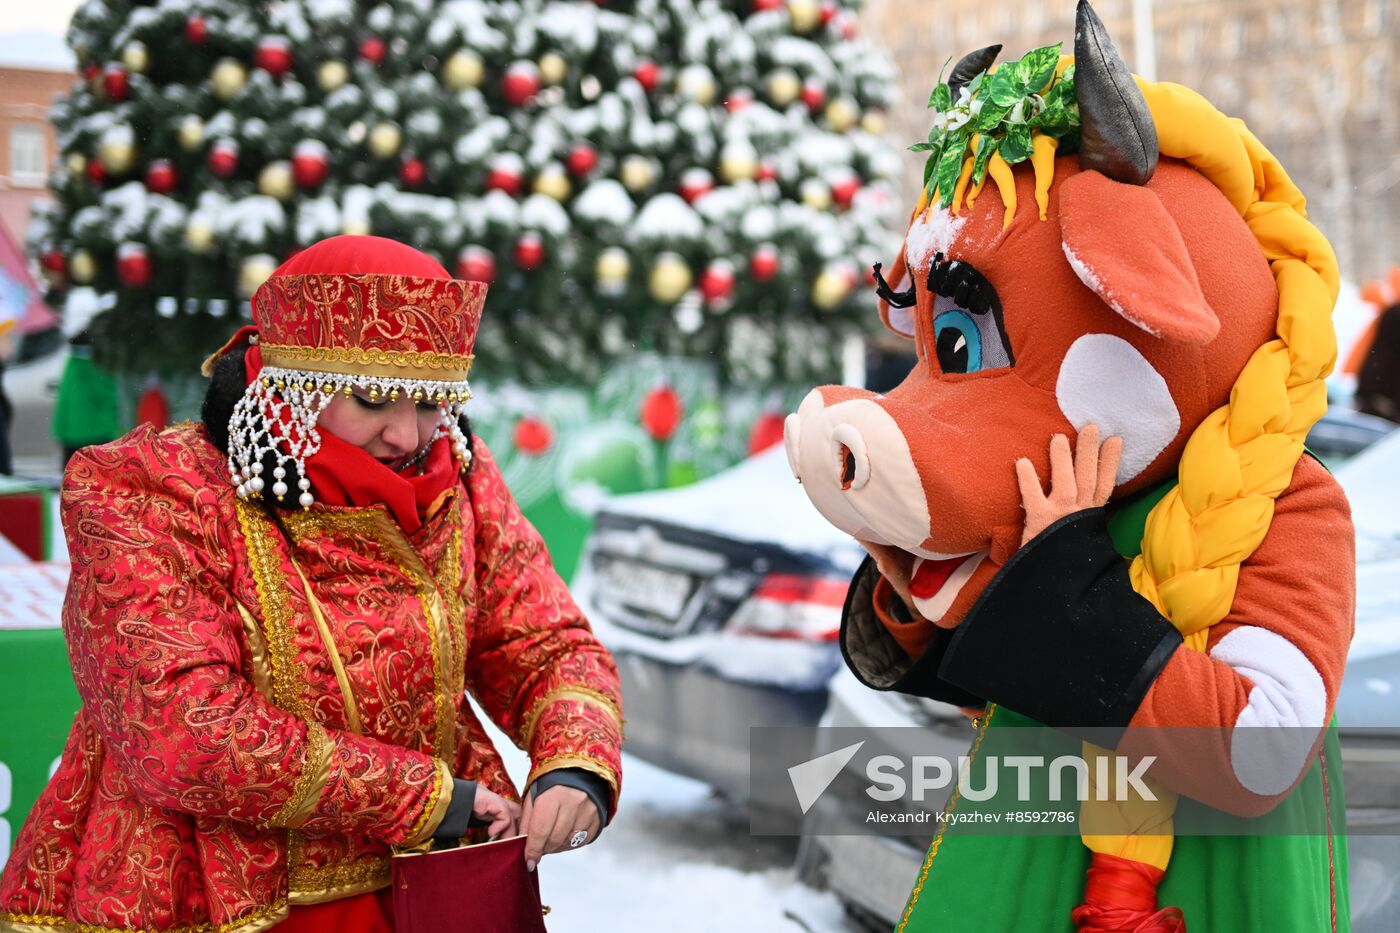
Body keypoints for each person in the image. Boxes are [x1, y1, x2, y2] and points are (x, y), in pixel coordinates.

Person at [0, 235, 624, 932]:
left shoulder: (460, 476)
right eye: (374, 397)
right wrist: (424, 795)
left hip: (430, 881)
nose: (405, 434)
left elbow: (545, 641)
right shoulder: (156, 489)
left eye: (430, 402)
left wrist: (576, 764)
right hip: (214, 890)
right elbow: (181, 725)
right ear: (295, 383)